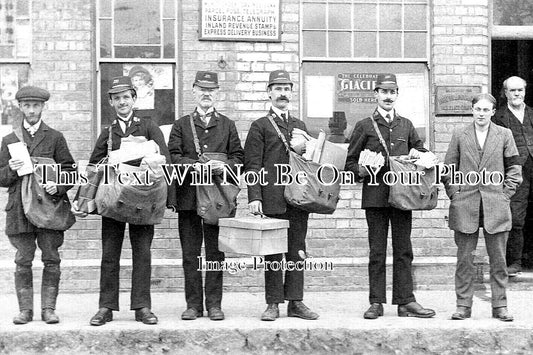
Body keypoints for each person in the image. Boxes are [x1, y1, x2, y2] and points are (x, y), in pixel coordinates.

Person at [73, 76, 170, 326]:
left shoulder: (149, 127)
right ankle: (106, 307)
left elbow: (166, 164)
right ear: (111, 103)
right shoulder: (107, 133)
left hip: (143, 200)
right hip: (113, 201)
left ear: (134, 99)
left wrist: (150, 158)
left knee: (142, 253)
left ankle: (142, 306)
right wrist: (83, 198)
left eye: (126, 97)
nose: (122, 102)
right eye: (117, 98)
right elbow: (94, 166)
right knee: (109, 254)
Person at [345, 73, 436, 319]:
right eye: (383, 92)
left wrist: (422, 159)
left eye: (392, 92)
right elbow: (349, 163)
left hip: (403, 197)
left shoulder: (406, 125)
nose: (388, 96)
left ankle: (406, 301)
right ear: (375, 94)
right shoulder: (364, 125)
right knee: (377, 251)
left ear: (397, 95)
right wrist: (361, 170)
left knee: (404, 249)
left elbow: (422, 152)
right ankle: (376, 302)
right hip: (375, 197)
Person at [167, 71, 244, 321]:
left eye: (211, 90)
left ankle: (214, 304)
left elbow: (239, 158)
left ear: (217, 93)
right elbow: (173, 157)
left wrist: (225, 167)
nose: (206, 94)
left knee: (214, 254)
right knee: (190, 254)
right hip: (189, 197)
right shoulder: (181, 125)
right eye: (201, 89)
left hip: (218, 201)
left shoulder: (227, 125)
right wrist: (195, 167)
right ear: (193, 91)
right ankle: (193, 305)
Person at [244, 69, 319, 321]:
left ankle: (295, 302)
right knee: (273, 252)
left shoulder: (299, 125)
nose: (282, 93)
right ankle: (273, 302)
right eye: (277, 88)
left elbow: (310, 163)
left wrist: (308, 147)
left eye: (286, 89)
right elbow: (252, 165)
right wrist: (254, 197)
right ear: (269, 93)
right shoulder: (260, 126)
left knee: (297, 250)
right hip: (272, 198)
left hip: (299, 198)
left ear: (291, 93)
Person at [0, 86, 76, 324]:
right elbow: (1, 178)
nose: (32, 111)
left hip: (48, 209)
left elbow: (70, 171)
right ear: (20, 107)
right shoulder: (10, 139)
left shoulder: (55, 137)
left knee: (51, 258)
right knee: (23, 259)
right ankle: (25, 311)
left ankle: (48, 309)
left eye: (36, 106)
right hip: (20, 210)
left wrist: (59, 186)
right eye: (27, 106)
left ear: (43, 107)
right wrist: (10, 169)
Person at [444, 93, 522, 321]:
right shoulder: (460, 134)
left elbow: (514, 169)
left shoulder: (504, 134)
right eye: (477, 109)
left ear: (493, 112)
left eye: (485, 110)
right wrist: (455, 194)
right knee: (464, 259)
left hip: (495, 205)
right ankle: (463, 306)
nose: (481, 114)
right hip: (465, 204)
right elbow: (449, 168)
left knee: (498, 259)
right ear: (472, 110)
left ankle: (500, 306)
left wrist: (505, 195)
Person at [491, 76, 533, 276]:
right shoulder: (498, 117)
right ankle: (515, 262)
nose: (517, 94)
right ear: (505, 93)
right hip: (515, 171)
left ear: (525, 91)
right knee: (516, 217)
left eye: (520, 90)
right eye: (512, 90)